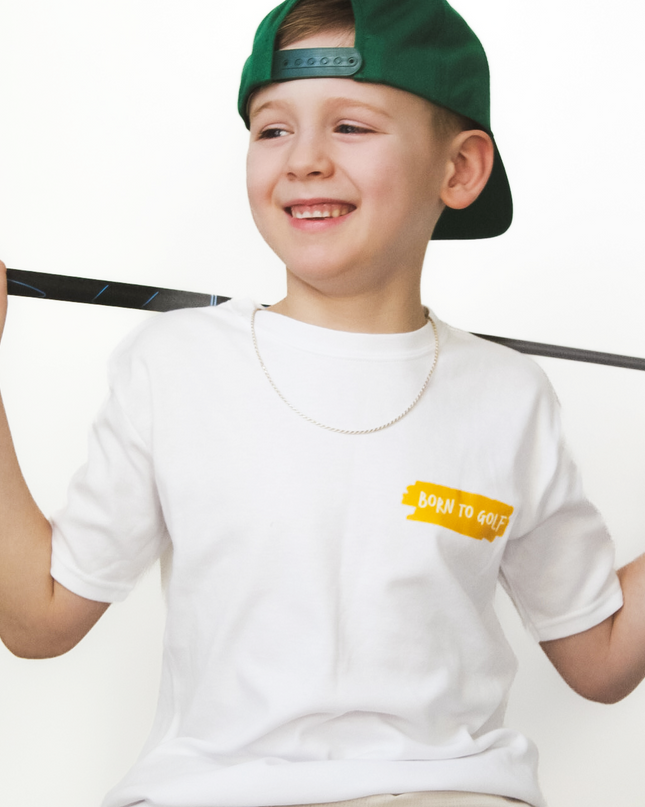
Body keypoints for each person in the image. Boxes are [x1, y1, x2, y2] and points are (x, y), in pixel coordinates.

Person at [0, 1, 644, 806]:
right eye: (272, 130)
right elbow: (38, 618)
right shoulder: (172, 367)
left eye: (351, 126)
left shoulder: (510, 397)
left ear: (460, 170)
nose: (302, 159)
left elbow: (603, 658)